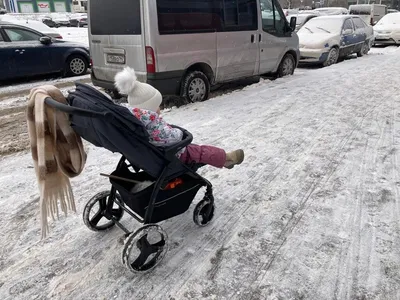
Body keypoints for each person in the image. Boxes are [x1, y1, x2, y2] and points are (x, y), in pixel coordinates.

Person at [114, 67, 244, 169]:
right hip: (171, 154)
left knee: (196, 149)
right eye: (157, 106)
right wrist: (179, 132)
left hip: (153, 154)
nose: (159, 109)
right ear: (148, 108)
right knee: (200, 151)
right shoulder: (151, 122)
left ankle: (224, 160)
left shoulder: (134, 119)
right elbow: (172, 137)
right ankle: (226, 159)